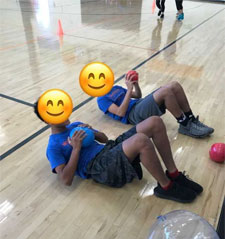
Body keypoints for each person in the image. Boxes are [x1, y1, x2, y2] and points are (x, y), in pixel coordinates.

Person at [34, 102, 203, 203]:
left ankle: (173, 173)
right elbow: (65, 180)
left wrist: (93, 131)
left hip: (107, 149)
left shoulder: (75, 125)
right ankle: (165, 186)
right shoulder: (53, 147)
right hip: (98, 167)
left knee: (154, 122)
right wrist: (76, 149)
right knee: (141, 141)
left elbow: (105, 139)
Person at [97, 72, 214, 138]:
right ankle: (185, 125)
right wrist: (128, 90)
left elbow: (137, 95)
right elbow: (120, 113)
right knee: (165, 92)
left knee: (174, 85)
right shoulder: (101, 99)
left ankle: (191, 119)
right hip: (132, 115)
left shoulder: (115, 88)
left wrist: (135, 85)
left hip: (139, 104)